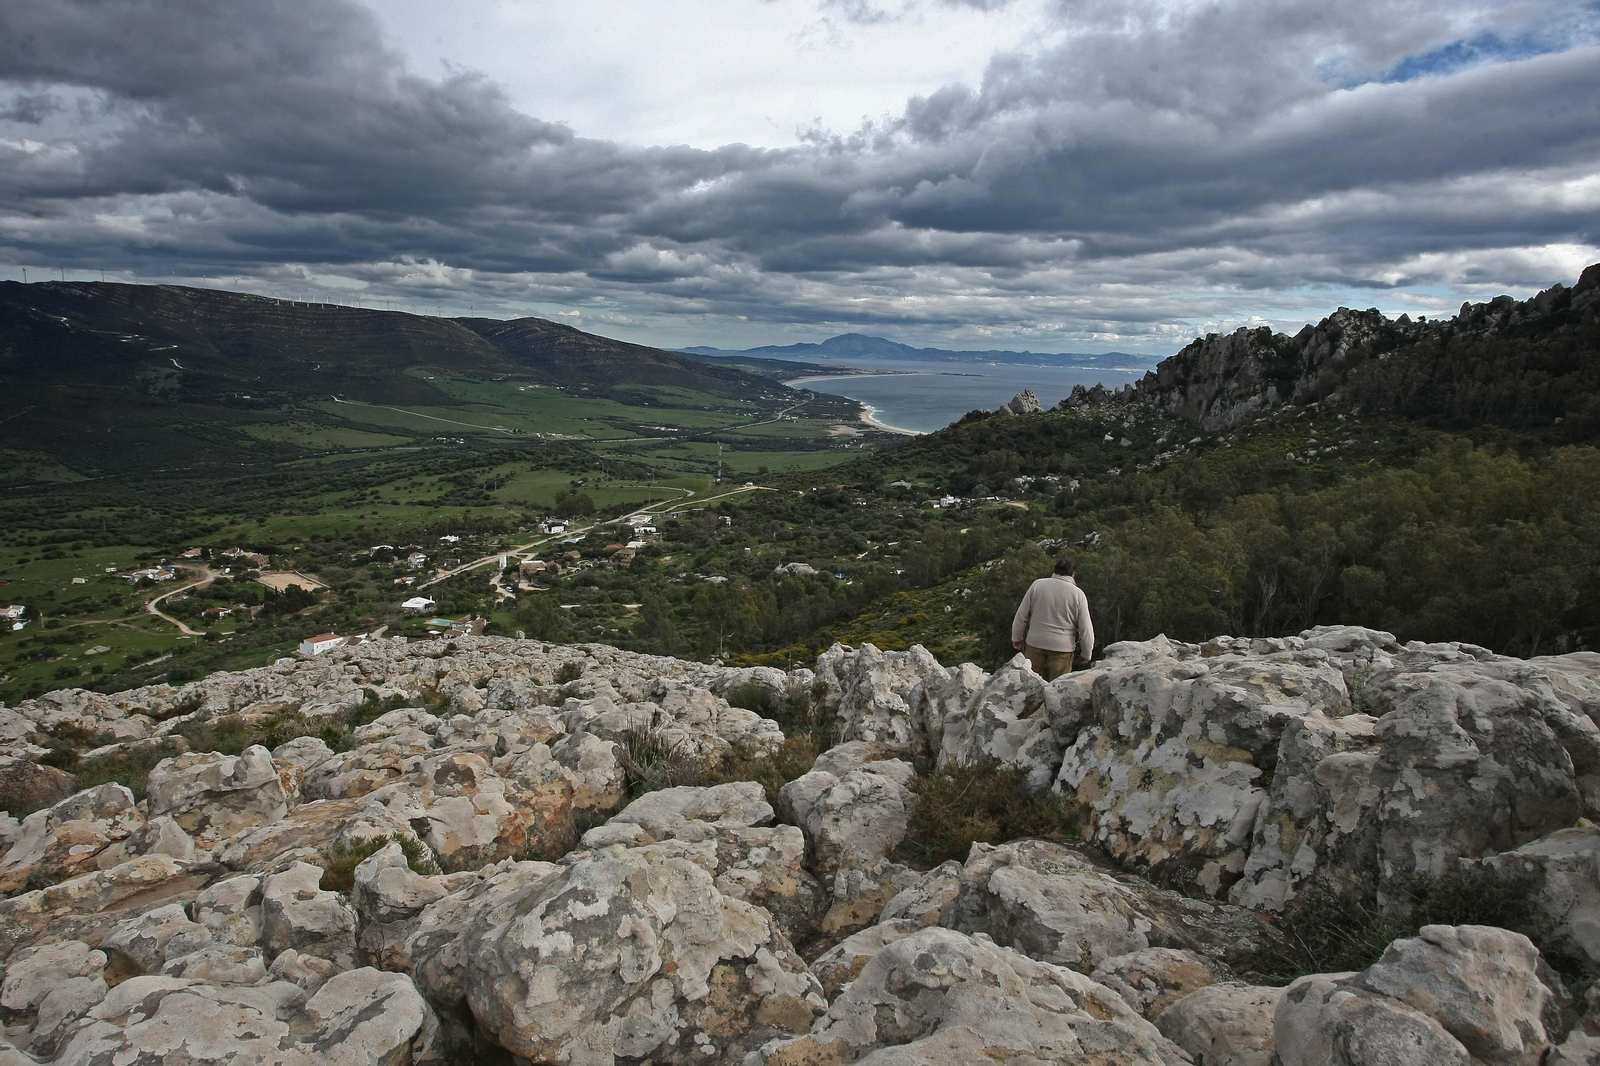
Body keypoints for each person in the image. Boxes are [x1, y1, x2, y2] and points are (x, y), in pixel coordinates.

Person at [1011, 558, 1094, 681]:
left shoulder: (1037, 585)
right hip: (1062, 648)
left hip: (1035, 643)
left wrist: (1016, 637)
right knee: (1058, 685)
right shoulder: (1078, 594)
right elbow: (1085, 628)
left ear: (1054, 571)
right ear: (1073, 574)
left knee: (1029, 682)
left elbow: (1021, 614)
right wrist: (1087, 653)